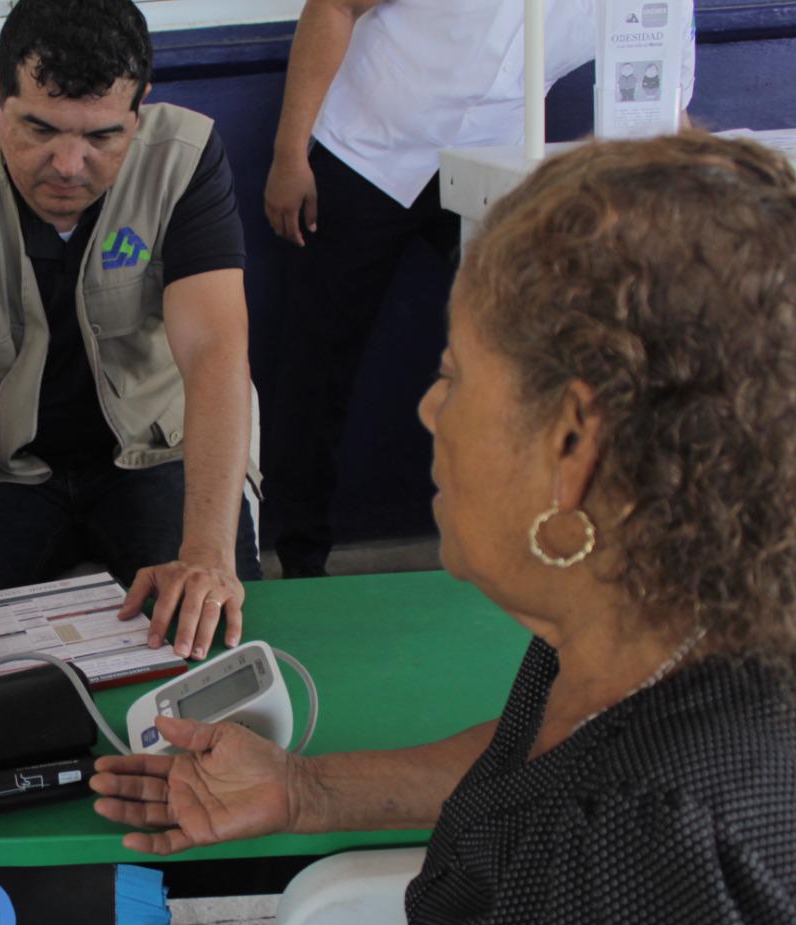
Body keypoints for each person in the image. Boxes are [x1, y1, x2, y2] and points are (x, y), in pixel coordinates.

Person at [94, 131, 796, 925]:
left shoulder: (664, 874)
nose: (431, 410)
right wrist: (303, 788)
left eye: (454, 377)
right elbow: (555, 769)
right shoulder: (672, 630)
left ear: (571, 447)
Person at [0, 0, 260, 670]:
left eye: (102, 137)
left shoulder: (186, 163)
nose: (68, 164)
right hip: (8, 475)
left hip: (151, 455)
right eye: (40, 128)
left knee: (208, 639)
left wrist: (207, 555)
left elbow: (214, 352)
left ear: (139, 108)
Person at [262, 0, 692, 578]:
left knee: (531, 354)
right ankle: (299, 559)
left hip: (492, 165)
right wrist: (290, 153)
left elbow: (659, 102)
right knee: (317, 364)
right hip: (369, 150)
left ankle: (536, 545)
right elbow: (334, 5)